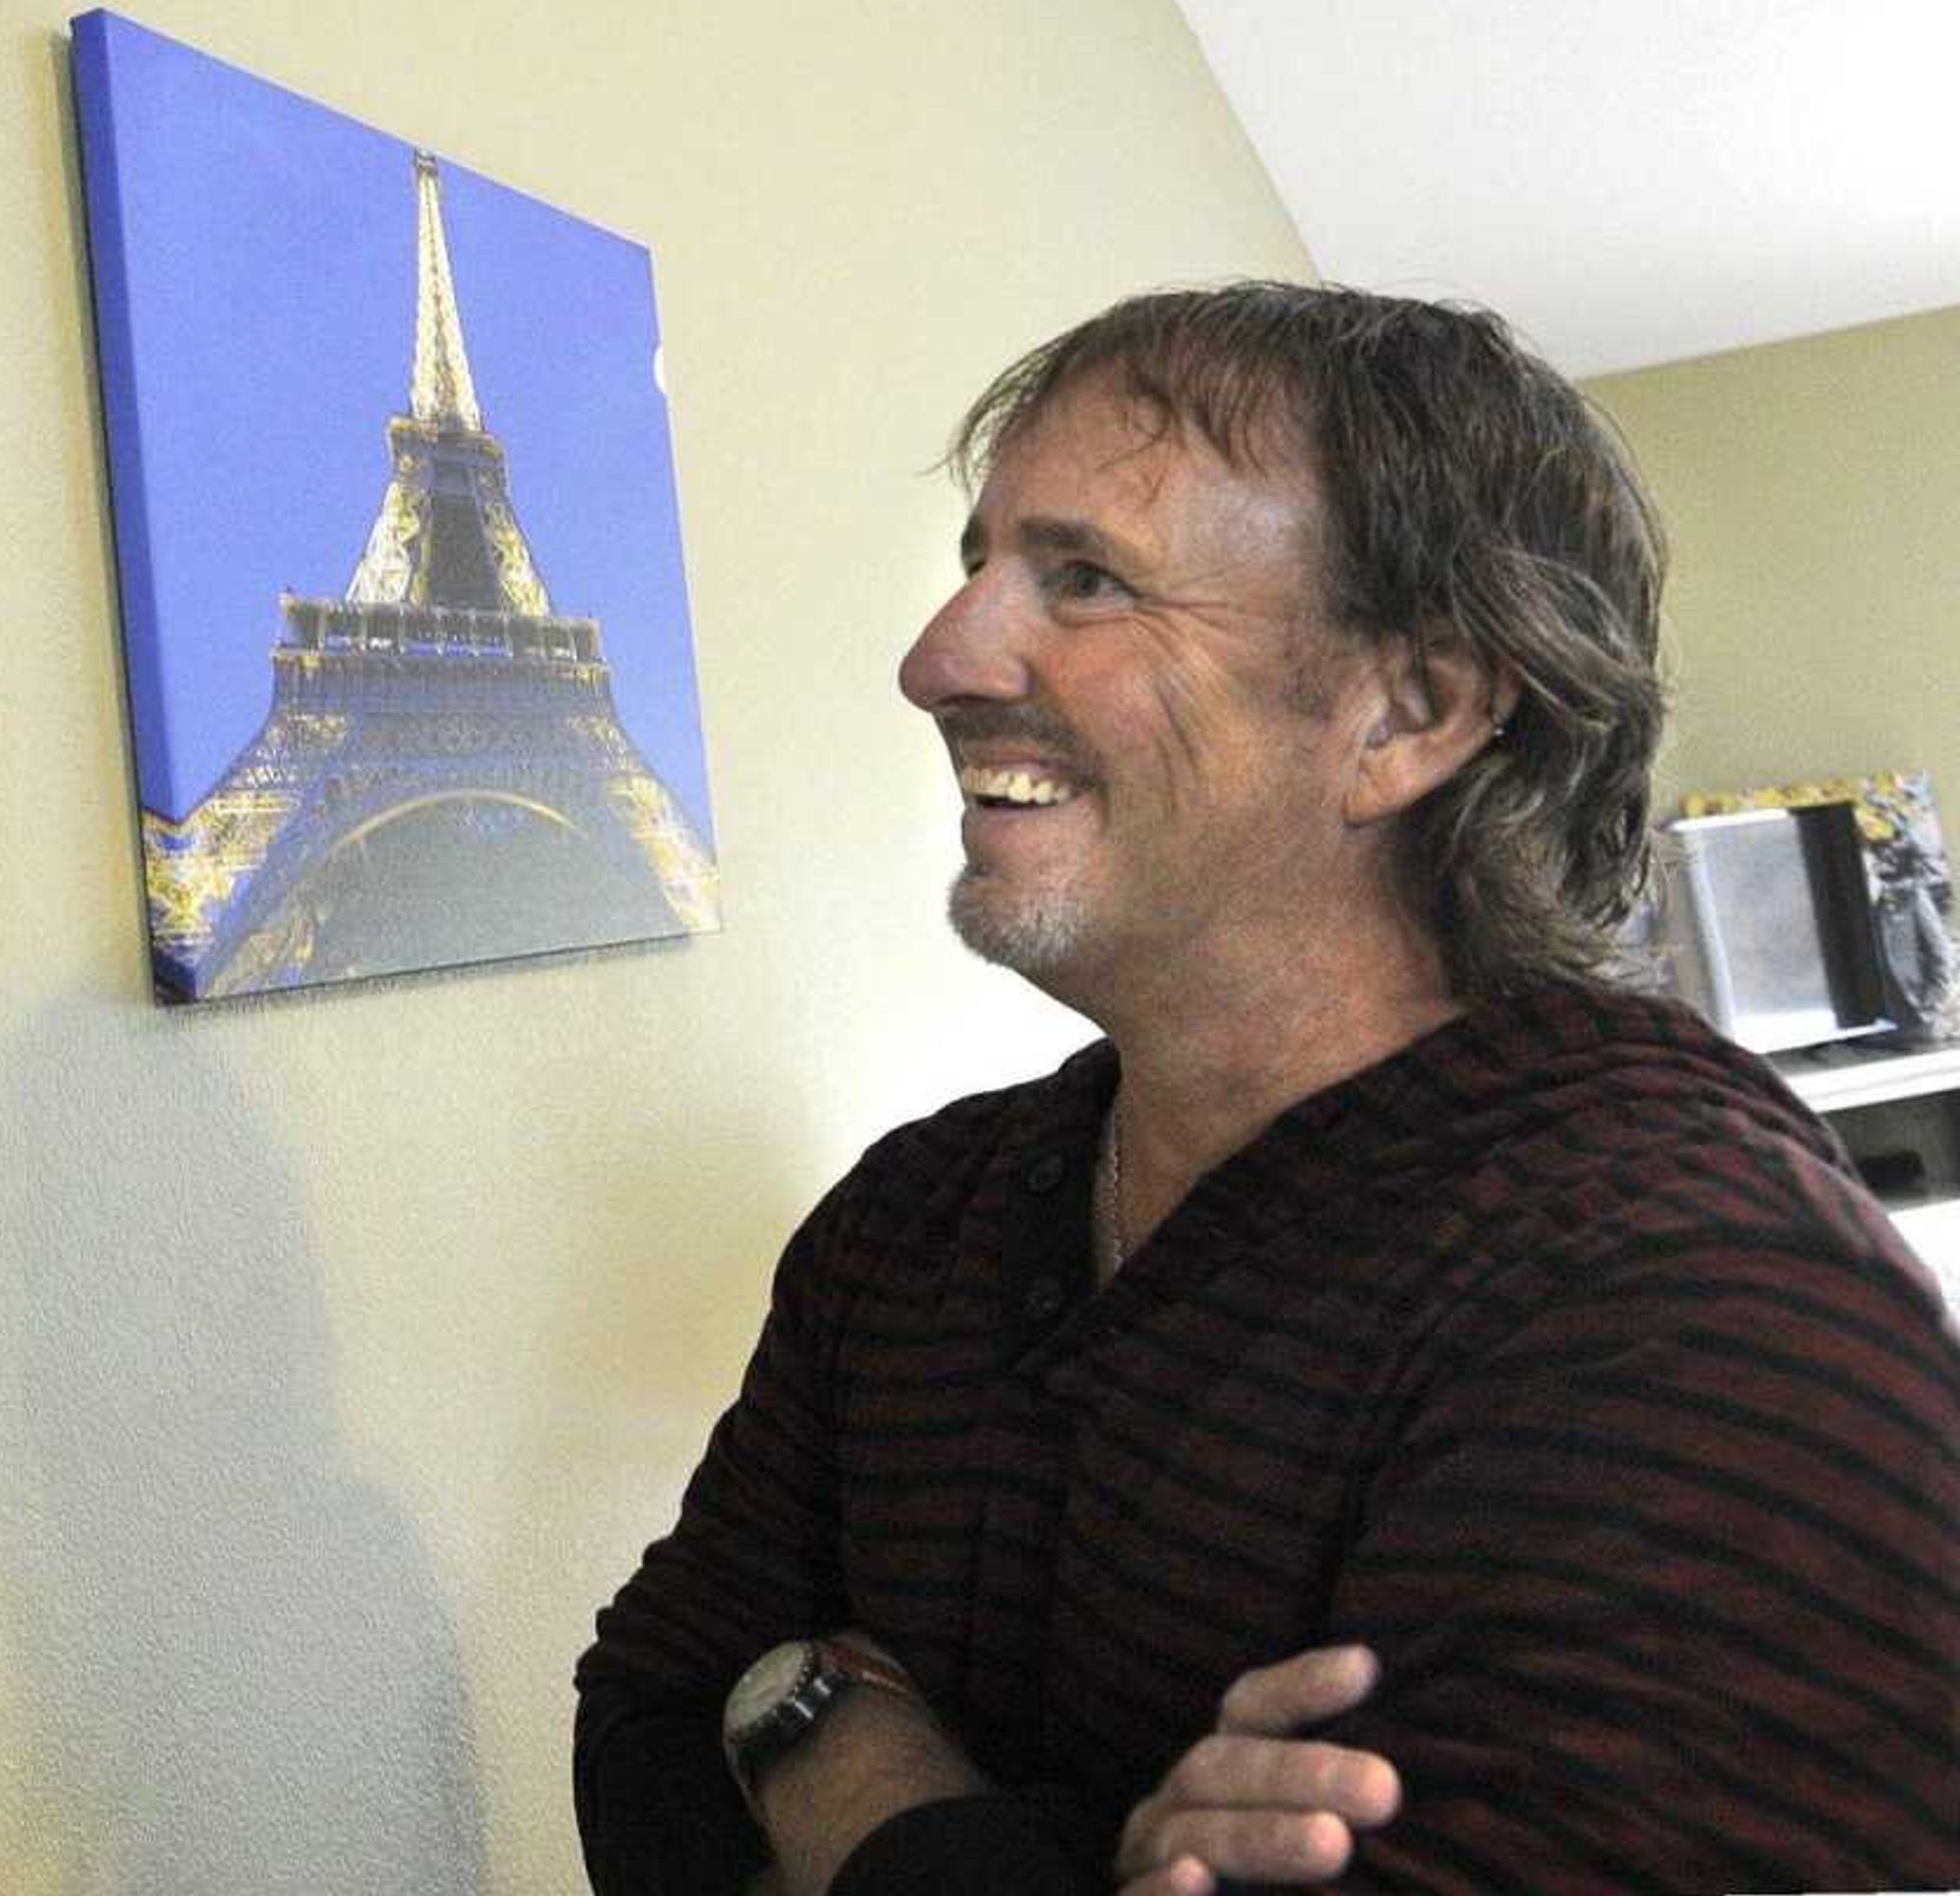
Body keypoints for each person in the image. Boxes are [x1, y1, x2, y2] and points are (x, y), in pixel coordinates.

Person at [573, 284, 1960, 1896]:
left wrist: (860, 1791)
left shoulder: (1703, 1297)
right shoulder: (909, 1221)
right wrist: (909, 1771)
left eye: (1084, 579)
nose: (936, 659)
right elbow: (642, 1729)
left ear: (1411, 712)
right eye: (980, 567)